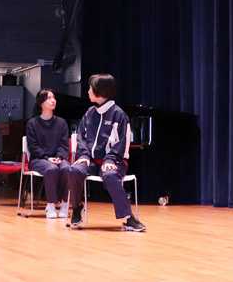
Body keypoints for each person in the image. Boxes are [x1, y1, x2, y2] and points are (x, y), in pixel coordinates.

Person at [67, 73, 146, 232]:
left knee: (110, 175)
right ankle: (76, 208)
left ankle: (127, 217)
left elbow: (123, 142)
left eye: (90, 88)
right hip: (91, 162)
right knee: (74, 170)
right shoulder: (89, 113)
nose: (88, 91)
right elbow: (81, 136)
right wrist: (84, 155)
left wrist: (110, 159)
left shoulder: (119, 115)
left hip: (115, 162)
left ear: (100, 90)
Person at [25, 89, 72, 219]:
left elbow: (64, 144)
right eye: (49, 98)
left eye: (53, 97)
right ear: (41, 103)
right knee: (51, 169)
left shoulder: (61, 123)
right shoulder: (32, 123)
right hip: (39, 159)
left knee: (67, 168)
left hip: (58, 158)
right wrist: (47, 158)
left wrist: (59, 157)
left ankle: (64, 204)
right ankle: (50, 204)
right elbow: (33, 146)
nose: (53, 100)